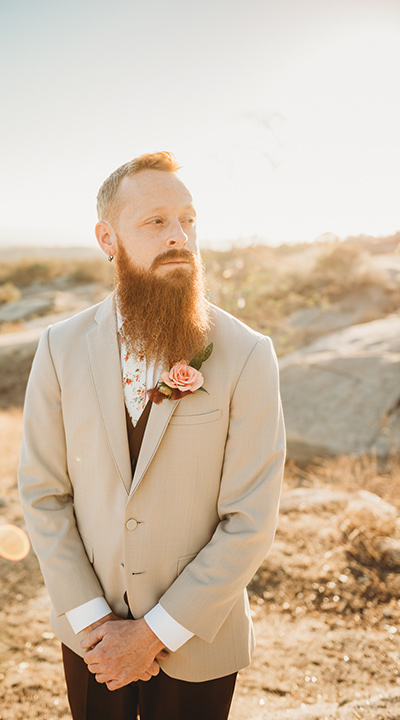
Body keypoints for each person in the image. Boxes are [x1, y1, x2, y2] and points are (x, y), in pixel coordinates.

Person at [18, 151, 286, 720]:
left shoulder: (246, 354)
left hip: (200, 640)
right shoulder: (58, 347)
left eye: (188, 219)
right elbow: (44, 494)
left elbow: (251, 519)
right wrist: (92, 621)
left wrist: (155, 633)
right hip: (91, 640)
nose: (179, 236)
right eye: (155, 221)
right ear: (107, 238)